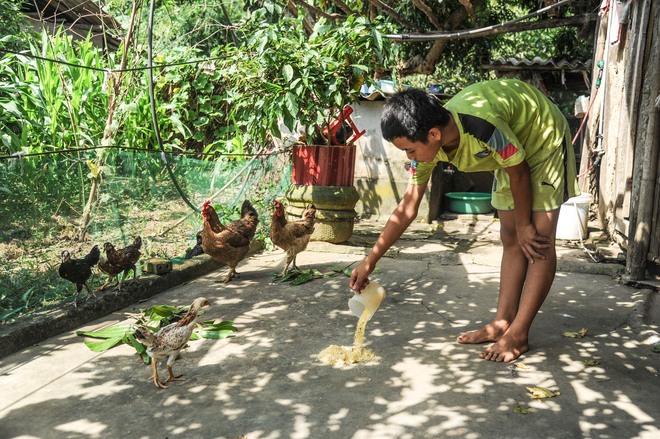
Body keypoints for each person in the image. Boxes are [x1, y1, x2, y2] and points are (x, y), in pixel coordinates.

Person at [349, 78, 580, 363]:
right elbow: (409, 205)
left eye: (410, 150)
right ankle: (502, 323)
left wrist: (526, 225)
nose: (410, 158)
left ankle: (519, 334)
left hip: (541, 135)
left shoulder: (482, 128)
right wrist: (370, 260)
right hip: (512, 150)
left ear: (433, 134)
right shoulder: (430, 145)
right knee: (510, 237)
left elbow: (519, 171)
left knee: (537, 241)